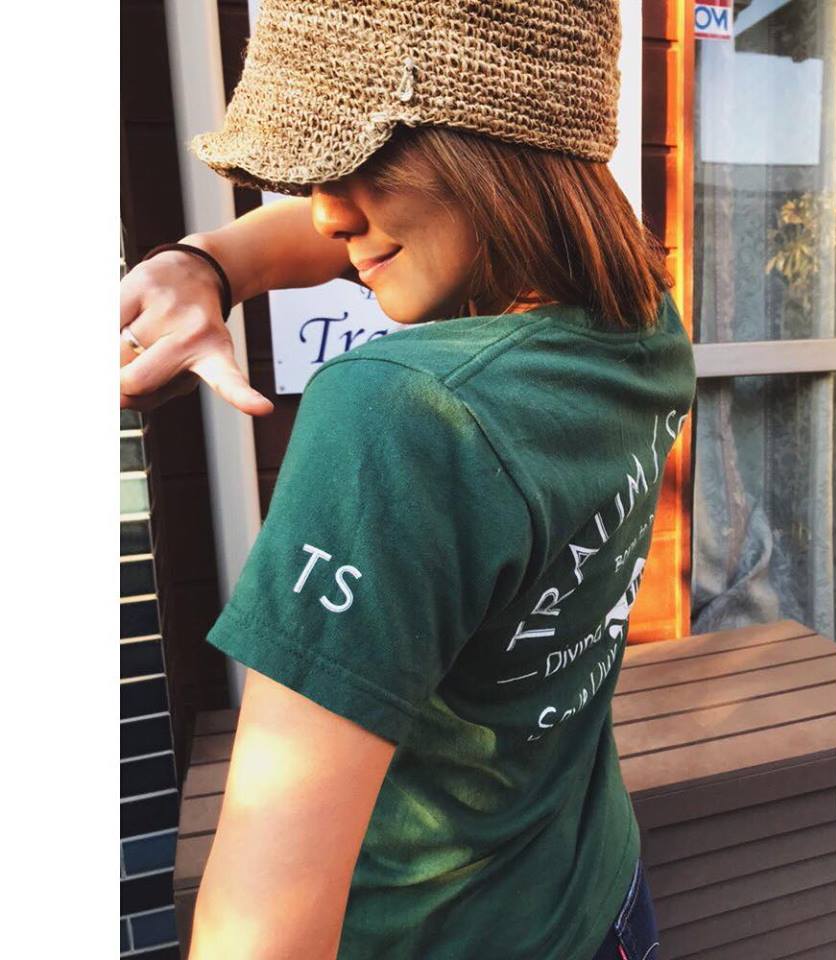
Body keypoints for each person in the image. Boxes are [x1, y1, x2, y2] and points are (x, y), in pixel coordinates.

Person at [119, 2, 695, 957]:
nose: (328, 214)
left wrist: (212, 264)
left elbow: (260, 935)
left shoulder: (401, 413)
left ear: (496, 142)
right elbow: (364, 226)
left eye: (363, 161)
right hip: (602, 896)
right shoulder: (639, 308)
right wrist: (206, 265)